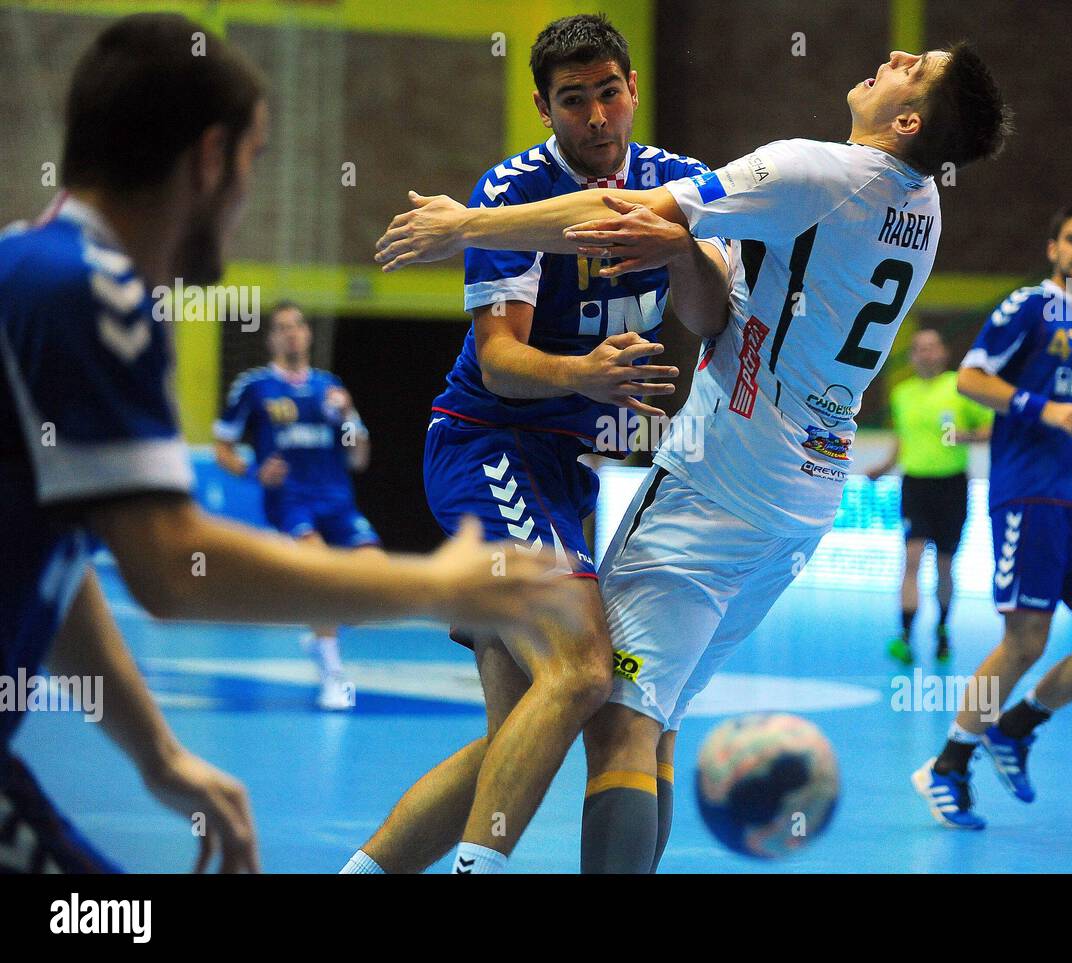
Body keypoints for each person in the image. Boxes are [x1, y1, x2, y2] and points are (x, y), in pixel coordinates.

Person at [373, 42, 1012, 871]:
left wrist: (463, 225)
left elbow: (614, 215)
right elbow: (708, 299)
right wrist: (681, 247)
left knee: (612, 715)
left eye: (913, 64)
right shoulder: (922, 206)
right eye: (575, 99)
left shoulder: (810, 170)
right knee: (647, 716)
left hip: (724, 476)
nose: (894, 55)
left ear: (907, 119)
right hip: (806, 498)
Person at [0, 13, 583, 874]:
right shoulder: (91, 294)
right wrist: (431, 583)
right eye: (253, 162)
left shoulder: (33, 269)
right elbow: (171, 564)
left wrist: (159, 755)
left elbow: (50, 565)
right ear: (210, 160)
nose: (244, 200)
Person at [343, 13, 731, 875]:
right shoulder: (512, 190)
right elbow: (503, 363)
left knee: (519, 736)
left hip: (563, 474)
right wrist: (585, 373)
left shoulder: (685, 184)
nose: (596, 116)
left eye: (608, 94)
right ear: (542, 107)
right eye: (572, 101)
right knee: (587, 670)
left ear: (632, 90)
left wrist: (675, 248)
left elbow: (707, 319)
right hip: (488, 446)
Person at [911, 202, 1072, 830]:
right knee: (1025, 641)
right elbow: (970, 379)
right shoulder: (1029, 307)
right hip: (1030, 496)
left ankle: (1017, 726)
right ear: (1053, 249)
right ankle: (949, 764)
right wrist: (1041, 410)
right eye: (1071, 238)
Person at [214, 301, 380, 710]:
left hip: (338, 502)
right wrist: (253, 473)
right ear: (271, 338)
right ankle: (333, 674)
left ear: (307, 335)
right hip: (290, 503)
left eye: (298, 326)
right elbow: (223, 445)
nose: (292, 333)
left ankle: (319, 633)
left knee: (375, 581)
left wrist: (346, 421)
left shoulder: (331, 387)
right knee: (319, 570)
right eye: (283, 327)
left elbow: (358, 457)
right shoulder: (254, 387)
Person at [868, 327, 992, 664]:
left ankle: (942, 630)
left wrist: (964, 436)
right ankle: (905, 635)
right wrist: (884, 466)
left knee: (945, 564)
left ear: (943, 353)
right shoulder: (902, 393)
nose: (926, 353)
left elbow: (991, 427)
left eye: (932, 347)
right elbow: (902, 438)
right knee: (912, 556)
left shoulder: (960, 386)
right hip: (915, 484)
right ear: (912, 357)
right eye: (920, 348)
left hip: (952, 485)